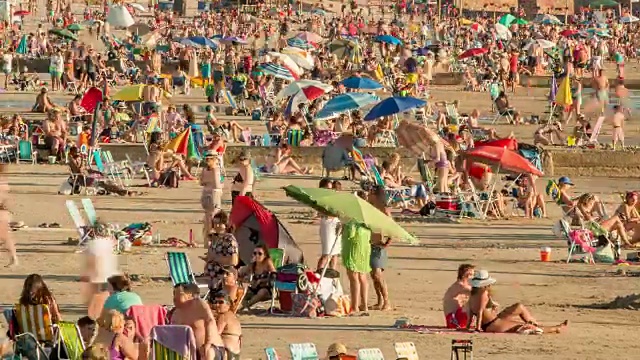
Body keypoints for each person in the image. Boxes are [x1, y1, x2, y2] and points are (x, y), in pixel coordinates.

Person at [467, 270, 568, 334]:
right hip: (493, 324)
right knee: (524, 326)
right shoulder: (483, 294)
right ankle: (555, 328)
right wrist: (478, 328)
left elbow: (472, 312)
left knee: (519, 307)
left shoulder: (472, 295)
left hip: (493, 322)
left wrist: (468, 326)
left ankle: (536, 323)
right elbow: (480, 311)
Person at [170, 283, 225, 360]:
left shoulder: (199, 304)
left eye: (177, 294)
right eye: (174, 294)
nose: (174, 298)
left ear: (189, 295)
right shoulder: (175, 313)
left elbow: (210, 321)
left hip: (212, 348)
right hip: (191, 352)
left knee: (208, 353)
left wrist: (208, 343)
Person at [341, 191, 371, 315]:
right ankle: (364, 304)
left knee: (353, 276)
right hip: (364, 247)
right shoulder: (368, 214)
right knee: (362, 276)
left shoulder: (354, 216)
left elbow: (350, 233)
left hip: (354, 246)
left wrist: (344, 226)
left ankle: (355, 305)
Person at [81, 220, 119, 320]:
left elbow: (91, 262)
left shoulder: (92, 244)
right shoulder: (110, 243)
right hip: (109, 273)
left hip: (96, 274)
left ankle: (93, 313)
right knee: (105, 294)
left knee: (94, 295)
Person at [368, 186, 391, 311]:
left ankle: (387, 301)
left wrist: (388, 241)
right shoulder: (370, 208)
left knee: (378, 274)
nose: (368, 194)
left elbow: (392, 226)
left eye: (370, 192)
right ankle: (379, 300)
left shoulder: (384, 209)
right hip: (370, 243)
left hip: (379, 245)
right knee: (373, 275)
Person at [204, 211, 239, 292]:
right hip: (212, 274)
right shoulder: (215, 238)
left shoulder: (229, 239)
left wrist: (214, 258)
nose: (216, 226)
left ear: (225, 224)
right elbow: (211, 255)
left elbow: (234, 261)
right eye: (215, 223)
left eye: (219, 223)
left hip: (224, 273)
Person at [239, 244, 276, 310]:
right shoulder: (253, 264)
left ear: (265, 255)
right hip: (255, 287)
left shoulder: (267, 262)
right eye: (255, 253)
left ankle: (246, 306)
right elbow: (242, 273)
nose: (257, 255)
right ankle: (245, 306)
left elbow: (274, 276)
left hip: (267, 288)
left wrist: (261, 280)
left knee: (262, 292)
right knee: (241, 292)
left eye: (260, 254)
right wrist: (250, 264)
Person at [317, 179, 341, 271]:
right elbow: (324, 213)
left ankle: (332, 275)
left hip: (336, 224)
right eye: (327, 188)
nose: (330, 191)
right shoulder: (321, 199)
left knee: (335, 254)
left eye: (331, 188)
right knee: (327, 254)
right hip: (327, 225)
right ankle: (318, 273)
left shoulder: (333, 198)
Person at [210, 292, 242, 360]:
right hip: (235, 351)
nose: (217, 305)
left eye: (221, 302)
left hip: (226, 351)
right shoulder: (232, 315)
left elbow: (216, 333)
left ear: (228, 304)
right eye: (215, 302)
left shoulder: (223, 316)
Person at [200, 151, 223, 239]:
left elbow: (201, 182)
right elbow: (217, 184)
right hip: (214, 194)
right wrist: (222, 185)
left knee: (207, 217)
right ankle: (213, 238)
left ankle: (207, 239)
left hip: (205, 193)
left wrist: (207, 182)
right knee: (214, 217)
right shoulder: (215, 169)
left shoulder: (204, 169)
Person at [443, 264, 474, 329]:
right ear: (464, 275)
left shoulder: (465, 284)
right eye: (470, 274)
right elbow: (476, 292)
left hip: (456, 316)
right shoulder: (460, 285)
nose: (472, 277)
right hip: (453, 318)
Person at [0, 164, 17, 267]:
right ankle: (13, 258)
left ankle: (14, 258)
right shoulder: (3, 181)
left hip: (1, 213)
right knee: (6, 237)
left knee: (5, 238)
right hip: (3, 212)